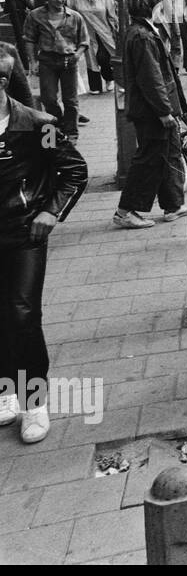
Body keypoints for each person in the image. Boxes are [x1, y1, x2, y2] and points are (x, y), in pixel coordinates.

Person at [0, 47, 88, 444]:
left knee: (21, 313)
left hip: (23, 233)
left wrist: (50, 212)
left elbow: (74, 170)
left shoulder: (39, 124)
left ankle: (34, 401)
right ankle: (4, 391)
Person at [114, 0, 187, 230]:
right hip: (151, 111)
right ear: (152, 6)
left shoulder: (144, 31)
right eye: (160, 3)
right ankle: (126, 210)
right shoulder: (142, 35)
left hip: (155, 108)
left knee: (169, 153)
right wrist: (164, 111)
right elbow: (151, 77)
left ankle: (173, 204)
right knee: (150, 159)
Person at [24, 0, 89, 141]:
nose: (60, 1)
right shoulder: (35, 16)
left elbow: (84, 41)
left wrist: (77, 55)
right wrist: (32, 62)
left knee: (70, 100)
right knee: (49, 99)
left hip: (69, 61)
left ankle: (72, 133)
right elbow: (29, 40)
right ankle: (56, 128)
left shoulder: (75, 17)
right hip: (47, 60)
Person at [67, 0, 118, 93]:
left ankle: (109, 78)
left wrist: (115, 30)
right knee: (90, 59)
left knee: (104, 57)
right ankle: (95, 86)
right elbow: (72, 13)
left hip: (103, 31)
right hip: (86, 32)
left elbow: (111, 15)